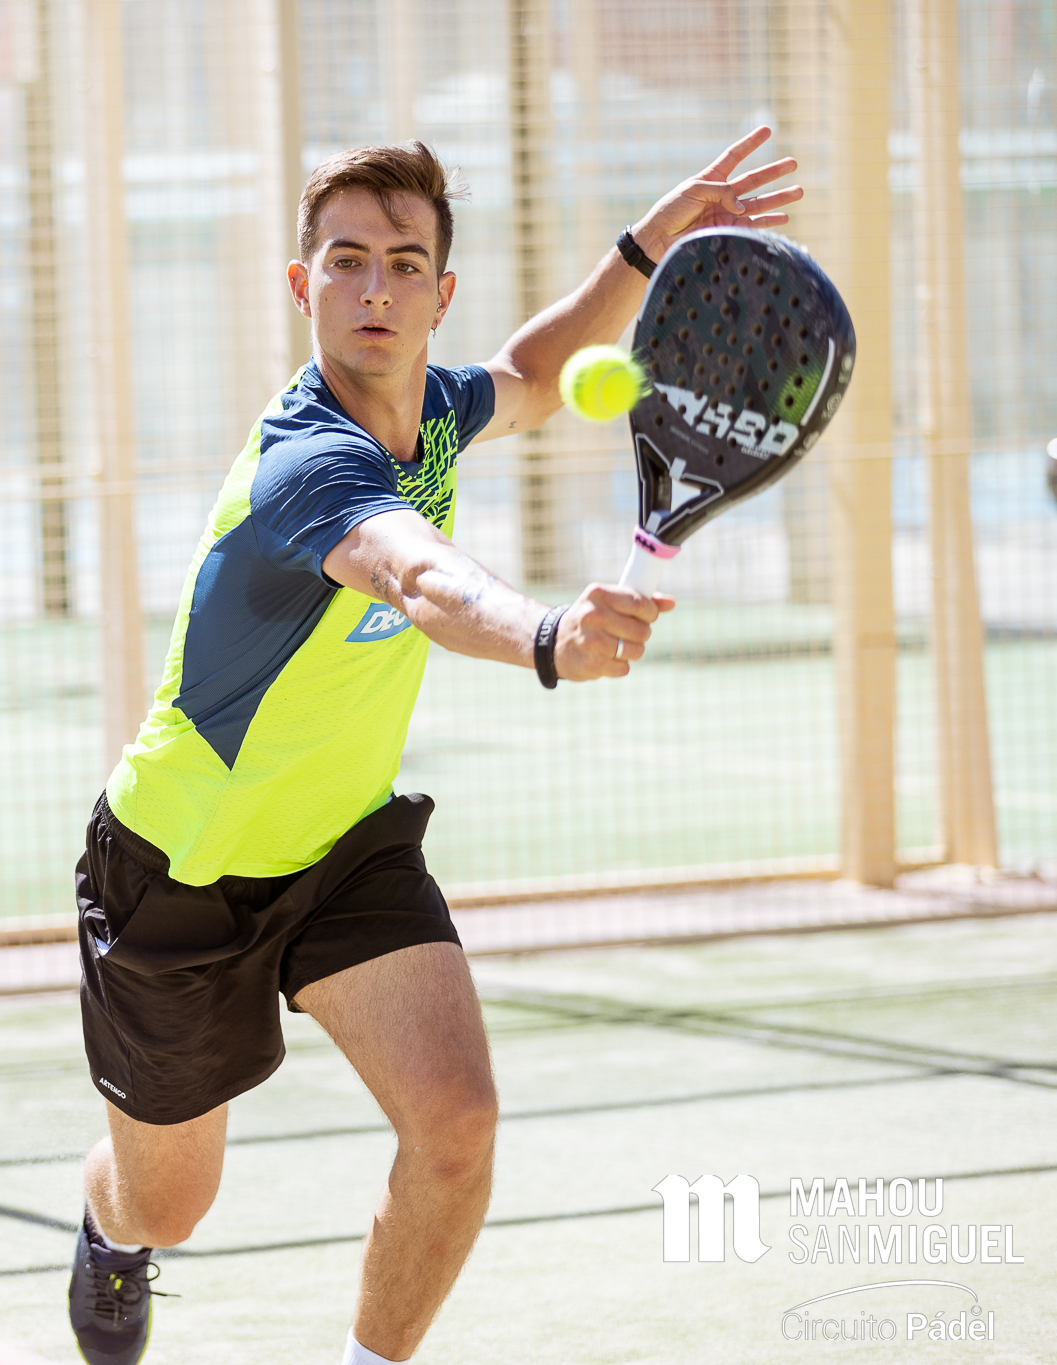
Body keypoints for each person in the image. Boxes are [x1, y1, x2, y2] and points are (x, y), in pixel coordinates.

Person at [67, 129, 801, 1365]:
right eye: (346, 260)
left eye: (404, 264)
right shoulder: (307, 463)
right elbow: (419, 578)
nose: (375, 288)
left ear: (438, 292)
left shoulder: (437, 414)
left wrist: (646, 247)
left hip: (343, 845)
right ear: (301, 284)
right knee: (168, 1204)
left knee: (455, 1124)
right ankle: (108, 1227)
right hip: (178, 871)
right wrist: (546, 635)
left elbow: (529, 370)